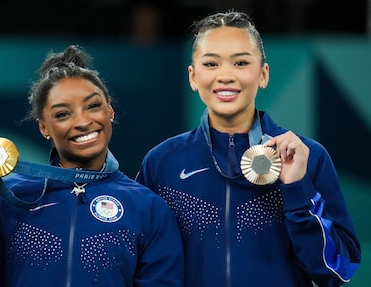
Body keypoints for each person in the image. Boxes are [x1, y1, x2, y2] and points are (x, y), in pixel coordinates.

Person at [135, 11, 361, 286]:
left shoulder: (307, 157)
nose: (226, 76)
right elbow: (140, 261)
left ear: (263, 74)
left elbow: (340, 270)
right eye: (211, 64)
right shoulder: (162, 162)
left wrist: (298, 189)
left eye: (241, 62)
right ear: (193, 77)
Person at [0, 44, 184, 287]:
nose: (83, 122)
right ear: (44, 127)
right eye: (62, 114)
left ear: (110, 110)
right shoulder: (8, 197)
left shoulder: (148, 208)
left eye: (93, 106)